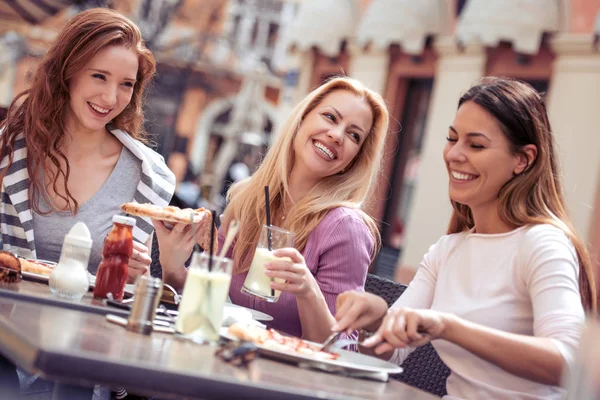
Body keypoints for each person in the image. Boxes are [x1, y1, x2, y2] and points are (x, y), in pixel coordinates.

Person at [333, 77, 597, 399]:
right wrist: (374, 318)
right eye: (452, 138)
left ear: (523, 159)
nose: (454, 154)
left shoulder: (542, 243)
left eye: (476, 145)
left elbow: (569, 363)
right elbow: (388, 353)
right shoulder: (448, 250)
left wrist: (448, 327)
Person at [0, 8, 176, 400]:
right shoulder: (8, 151)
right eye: (99, 76)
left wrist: (133, 282)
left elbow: (131, 310)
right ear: (68, 71)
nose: (110, 98)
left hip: (78, 373)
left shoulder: (148, 178)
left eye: (126, 84)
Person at [157, 76, 389, 342]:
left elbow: (341, 349)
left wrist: (308, 292)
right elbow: (207, 308)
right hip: (219, 362)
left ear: (355, 158)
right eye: (330, 118)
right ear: (302, 119)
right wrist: (173, 267)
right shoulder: (247, 197)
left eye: (353, 135)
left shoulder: (345, 228)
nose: (337, 135)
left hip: (282, 378)